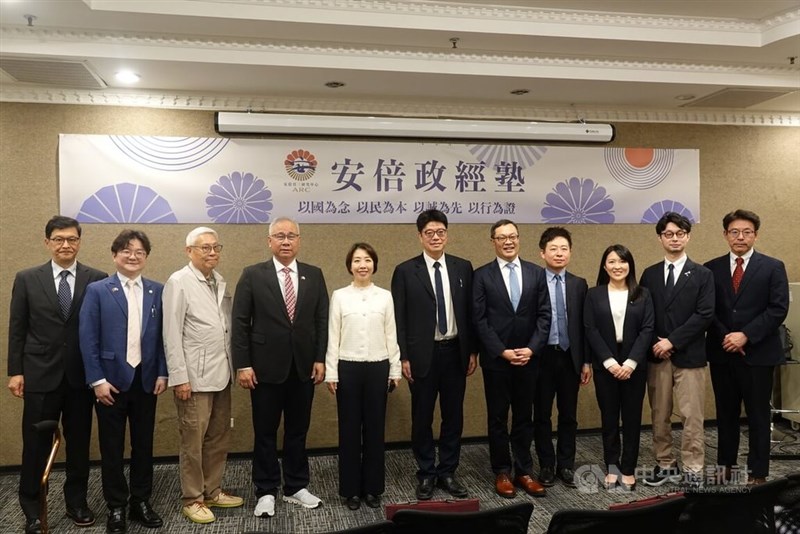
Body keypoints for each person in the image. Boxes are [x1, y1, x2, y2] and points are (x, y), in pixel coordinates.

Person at [7, 215, 106, 534]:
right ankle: (32, 508)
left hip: (81, 377)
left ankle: (77, 502)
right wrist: (15, 371)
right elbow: (17, 328)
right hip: (39, 375)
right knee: (34, 445)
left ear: (80, 241)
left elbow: (101, 331)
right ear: (47, 242)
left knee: (79, 444)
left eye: (72, 239)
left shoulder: (97, 278)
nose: (66, 245)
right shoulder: (27, 278)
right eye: (59, 239)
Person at [231, 217, 329, 518]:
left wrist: (320, 357)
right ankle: (265, 490)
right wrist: (243, 364)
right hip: (264, 369)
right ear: (269, 240)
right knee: (265, 432)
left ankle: (296, 486)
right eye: (279, 236)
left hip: (303, 368)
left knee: (298, 430)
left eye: (291, 236)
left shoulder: (314, 275)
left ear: (299, 240)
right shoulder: (252, 275)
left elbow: (321, 321)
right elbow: (239, 322)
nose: (286, 241)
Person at [79, 229, 168, 534]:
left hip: (145, 381)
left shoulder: (158, 290)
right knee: (112, 448)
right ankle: (116, 506)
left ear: (146, 257)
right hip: (110, 384)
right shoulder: (98, 290)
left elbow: (161, 339)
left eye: (139, 252)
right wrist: (97, 380)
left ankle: (140, 501)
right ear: (115, 255)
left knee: (144, 446)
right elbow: (87, 339)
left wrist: (162, 372)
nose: (133, 256)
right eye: (126, 251)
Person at [391, 209, 478, 500]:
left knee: (453, 416)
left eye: (441, 232)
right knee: (422, 417)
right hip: (421, 355)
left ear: (447, 234)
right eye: (430, 233)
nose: (436, 237)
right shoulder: (405, 271)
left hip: (455, 351)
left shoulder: (463, 267)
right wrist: (402, 356)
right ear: (420, 236)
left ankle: (448, 471)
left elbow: (470, 314)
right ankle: (427, 472)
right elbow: (399, 318)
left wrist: (472, 351)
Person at [163, 227, 243, 524]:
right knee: (193, 441)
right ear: (189, 251)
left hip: (221, 374)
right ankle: (193, 498)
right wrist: (179, 377)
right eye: (204, 248)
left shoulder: (218, 281)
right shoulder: (178, 282)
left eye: (216, 247)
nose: (212, 253)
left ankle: (212, 490)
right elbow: (171, 334)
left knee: (218, 437)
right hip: (193, 378)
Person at [704, 209, 789, 485]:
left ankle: (758, 472)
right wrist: (727, 336)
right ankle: (725, 467)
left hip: (758, 353)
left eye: (747, 232)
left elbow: (778, 309)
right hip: (722, 353)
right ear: (725, 235)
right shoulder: (711, 268)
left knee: (757, 415)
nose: (740, 237)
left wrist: (745, 336)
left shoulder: (773, 267)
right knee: (725, 413)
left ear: (756, 235)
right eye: (734, 232)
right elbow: (707, 310)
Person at [473, 219, 551, 499]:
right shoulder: (481, 275)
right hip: (497, 360)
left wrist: (531, 349)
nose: (508, 241)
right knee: (497, 418)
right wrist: (501, 350)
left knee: (524, 417)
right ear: (492, 241)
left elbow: (544, 315)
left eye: (513, 236)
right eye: (502, 237)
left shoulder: (536, 273)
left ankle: (524, 470)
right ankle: (502, 471)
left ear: (519, 239)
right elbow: (479, 320)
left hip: (529, 359)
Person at [639, 213, 714, 488]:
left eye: (680, 233)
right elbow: (644, 314)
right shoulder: (649, 274)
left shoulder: (703, 274)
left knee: (691, 415)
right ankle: (665, 463)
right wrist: (657, 343)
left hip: (689, 356)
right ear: (660, 238)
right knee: (659, 414)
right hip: (657, 356)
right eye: (668, 234)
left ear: (688, 236)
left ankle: (693, 467)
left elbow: (704, 314)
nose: (674, 238)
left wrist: (672, 341)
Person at [325, 243, 402, 511]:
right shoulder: (339, 296)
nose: (362, 265)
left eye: (367, 260)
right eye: (357, 260)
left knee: (374, 429)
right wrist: (331, 372)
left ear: (374, 264)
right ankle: (350, 491)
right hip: (347, 368)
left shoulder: (385, 296)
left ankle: (372, 488)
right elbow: (333, 335)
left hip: (378, 367)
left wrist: (395, 369)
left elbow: (391, 333)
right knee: (348, 430)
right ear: (349, 265)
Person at [584, 244, 653, 491]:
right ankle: (612, 467)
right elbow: (590, 330)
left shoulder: (643, 293)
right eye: (612, 262)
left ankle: (628, 469)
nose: (617, 266)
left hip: (635, 365)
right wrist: (610, 363)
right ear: (604, 266)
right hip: (606, 365)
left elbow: (647, 330)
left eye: (622, 262)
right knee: (610, 419)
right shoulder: (594, 294)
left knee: (632, 419)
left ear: (630, 265)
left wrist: (631, 363)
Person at [533, 227, 589, 489]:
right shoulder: (533, 281)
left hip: (570, 358)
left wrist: (586, 361)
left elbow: (584, 326)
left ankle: (566, 463)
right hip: (542, 357)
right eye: (553, 249)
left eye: (564, 248)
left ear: (571, 252)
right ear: (542, 252)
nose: (559, 253)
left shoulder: (579, 284)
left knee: (569, 414)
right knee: (541, 414)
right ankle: (546, 463)